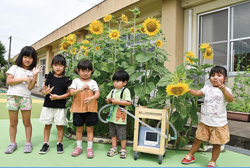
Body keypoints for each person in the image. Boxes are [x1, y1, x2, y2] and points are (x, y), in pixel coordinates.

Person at [181, 66, 234, 167]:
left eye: (219, 75)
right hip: (205, 122)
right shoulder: (207, 88)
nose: (215, 78)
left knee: (216, 144)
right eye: (212, 75)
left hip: (218, 124)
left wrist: (223, 90)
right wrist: (186, 89)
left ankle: (213, 161)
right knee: (198, 139)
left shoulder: (226, 90)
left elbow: (230, 99)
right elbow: (197, 93)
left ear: (225, 79)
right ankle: (190, 155)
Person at [5, 46, 42, 154]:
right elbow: (9, 81)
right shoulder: (14, 68)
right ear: (21, 56)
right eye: (25, 56)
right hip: (13, 97)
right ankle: (12, 143)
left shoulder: (32, 71)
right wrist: (23, 79)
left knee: (27, 122)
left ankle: (28, 143)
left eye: (31, 57)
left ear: (33, 59)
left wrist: (34, 76)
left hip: (25, 98)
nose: (27, 59)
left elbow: (30, 87)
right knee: (13, 122)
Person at [39, 54, 71, 154]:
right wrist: (46, 91)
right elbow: (43, 91)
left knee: (59, 126)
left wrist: (58, 97)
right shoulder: (49, 77)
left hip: (60, 107)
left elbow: (69, 93)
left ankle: (60, 143)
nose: (58, 67)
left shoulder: (67, 80)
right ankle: (46, 143)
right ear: (52, 66)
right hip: (48, 106)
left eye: (61, 65)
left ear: (64, 67)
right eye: (56, 65)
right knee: (47, 125)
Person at [69, 60, 100, 158]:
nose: (86, 73)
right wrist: (81, 89)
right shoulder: (76, 81)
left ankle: (89, 148)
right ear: (78, 71)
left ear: (91, 71)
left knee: (90, 129)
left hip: (91, 109)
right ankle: (79, 147)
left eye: (88, 70)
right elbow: (72, 92)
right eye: (83, 70)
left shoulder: (93, 82)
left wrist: (91, 98)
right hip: (78, 109)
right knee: (79, 129)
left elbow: (97, 94)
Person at [106, 70, 132, 159]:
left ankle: (123, 149)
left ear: (124, 83)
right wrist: (109, 99)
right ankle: (114, 148)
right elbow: (107, 100)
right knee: (113, 134)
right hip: (112, 117)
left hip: (121, 118)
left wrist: (117, 101)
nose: (115, 83)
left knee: (122, 135)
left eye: (117, 81)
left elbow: (128, 103)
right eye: (114, 81)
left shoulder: (126, 91)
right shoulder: (113, 91)